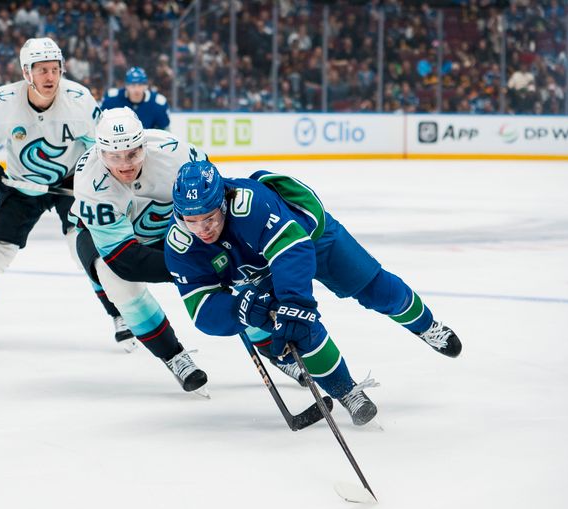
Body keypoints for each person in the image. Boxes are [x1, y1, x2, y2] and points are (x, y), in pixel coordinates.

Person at [165, 161, 462, 425]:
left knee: (374, 288)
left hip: (311, 239)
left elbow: (292, 251)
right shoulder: (180, 244)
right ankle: (347, 391)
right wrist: (240, 310)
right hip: (258, 273)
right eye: (192, 221)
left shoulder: (251, 204)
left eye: (210, 218)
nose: (202, 229)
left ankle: (427, 326)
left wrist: (295, 302)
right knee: (296, 328)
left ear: (224, 204)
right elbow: (202, 310)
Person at [0, 37, 137, 351]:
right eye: (41, 69)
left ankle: (119, 315)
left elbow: (102, 147)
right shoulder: (4, 101)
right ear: (26, 72)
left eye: (55, 69)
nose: (50, 77)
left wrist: (98, 184)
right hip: (21, 184)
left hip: (71, 182)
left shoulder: (79, 100)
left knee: (86, 252)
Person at [69, 107, 207, 394]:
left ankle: (273, 346)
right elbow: (126, 260)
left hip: (170, 228)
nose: (124, 165)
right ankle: (174, 356)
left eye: (132, 153)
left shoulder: (178, 154)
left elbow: (214, 202)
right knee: (116, 282)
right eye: (113, 157)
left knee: (233, 265)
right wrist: (192, 269)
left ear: (144, 145)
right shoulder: (90, 182)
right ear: (99, 152)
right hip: (108, 239)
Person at [100, 67, 170, 130]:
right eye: (133, 85)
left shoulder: (158, 103)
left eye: (140, 85)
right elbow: (100, 124)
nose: (136, 89)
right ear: (126, 86)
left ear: (146, 86)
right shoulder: (112, 99)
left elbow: (165, 132)